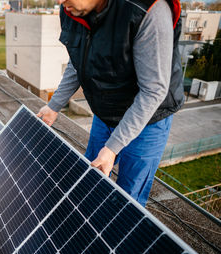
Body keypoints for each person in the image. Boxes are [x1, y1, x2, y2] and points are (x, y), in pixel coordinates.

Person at [37, 0, 184, 206]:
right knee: (93, 176)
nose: (60, 2)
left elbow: (153, 90)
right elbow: (79, 61)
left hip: (148, 118)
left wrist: (113, 147)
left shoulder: (148, 9)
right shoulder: (72, 9)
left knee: (129, 197)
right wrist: (54, 105)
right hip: (106, 112)